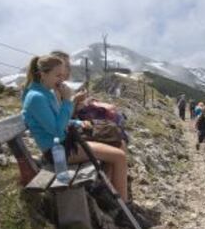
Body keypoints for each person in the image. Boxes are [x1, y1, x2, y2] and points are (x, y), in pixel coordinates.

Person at [21, 55, 128, 201]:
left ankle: (108, 192)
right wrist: (67, 101)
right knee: (119, 156)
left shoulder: (47, 92)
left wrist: (77, 123)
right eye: (57, 75)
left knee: (119, 143)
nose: (62, 79)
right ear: (43, 74)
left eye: (63, 75)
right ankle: (124, 209)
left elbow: (59, 121)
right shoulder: (36, 98)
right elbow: (57, 131)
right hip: (59, 150)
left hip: (66, 141)